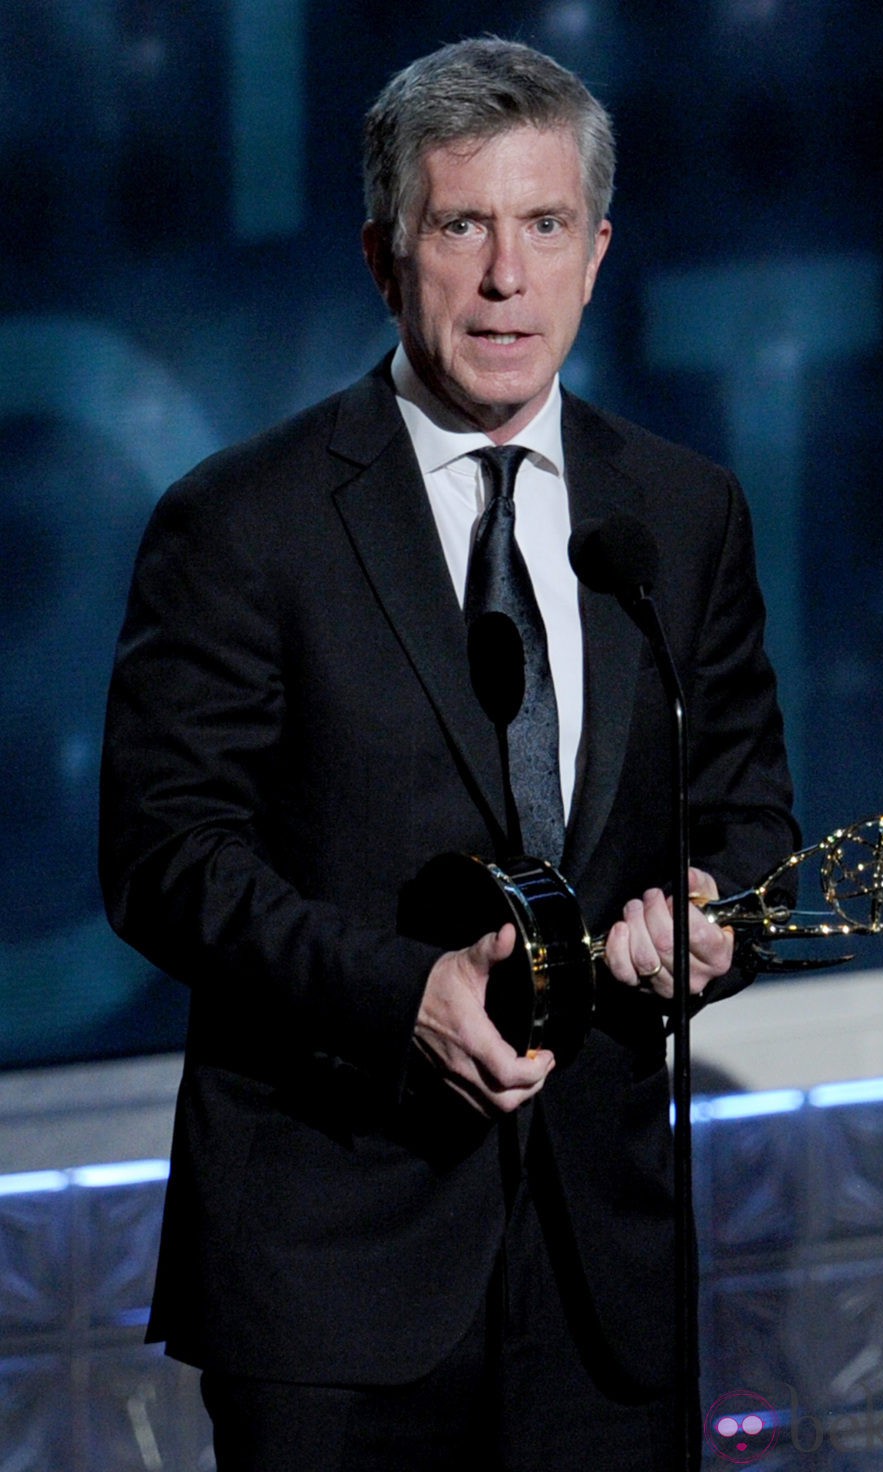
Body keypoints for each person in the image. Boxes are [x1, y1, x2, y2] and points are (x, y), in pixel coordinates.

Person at [99, 37, 797, 1472]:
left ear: (597, 253)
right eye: (461, 225)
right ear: (381, 252)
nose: (505, 279)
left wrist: (714, 921)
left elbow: (752, 827)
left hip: (607, 1279)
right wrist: (403, 995)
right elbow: (167, 860)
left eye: (544, 227)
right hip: (329, 1287)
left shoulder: (681, 511)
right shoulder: (242, 522)